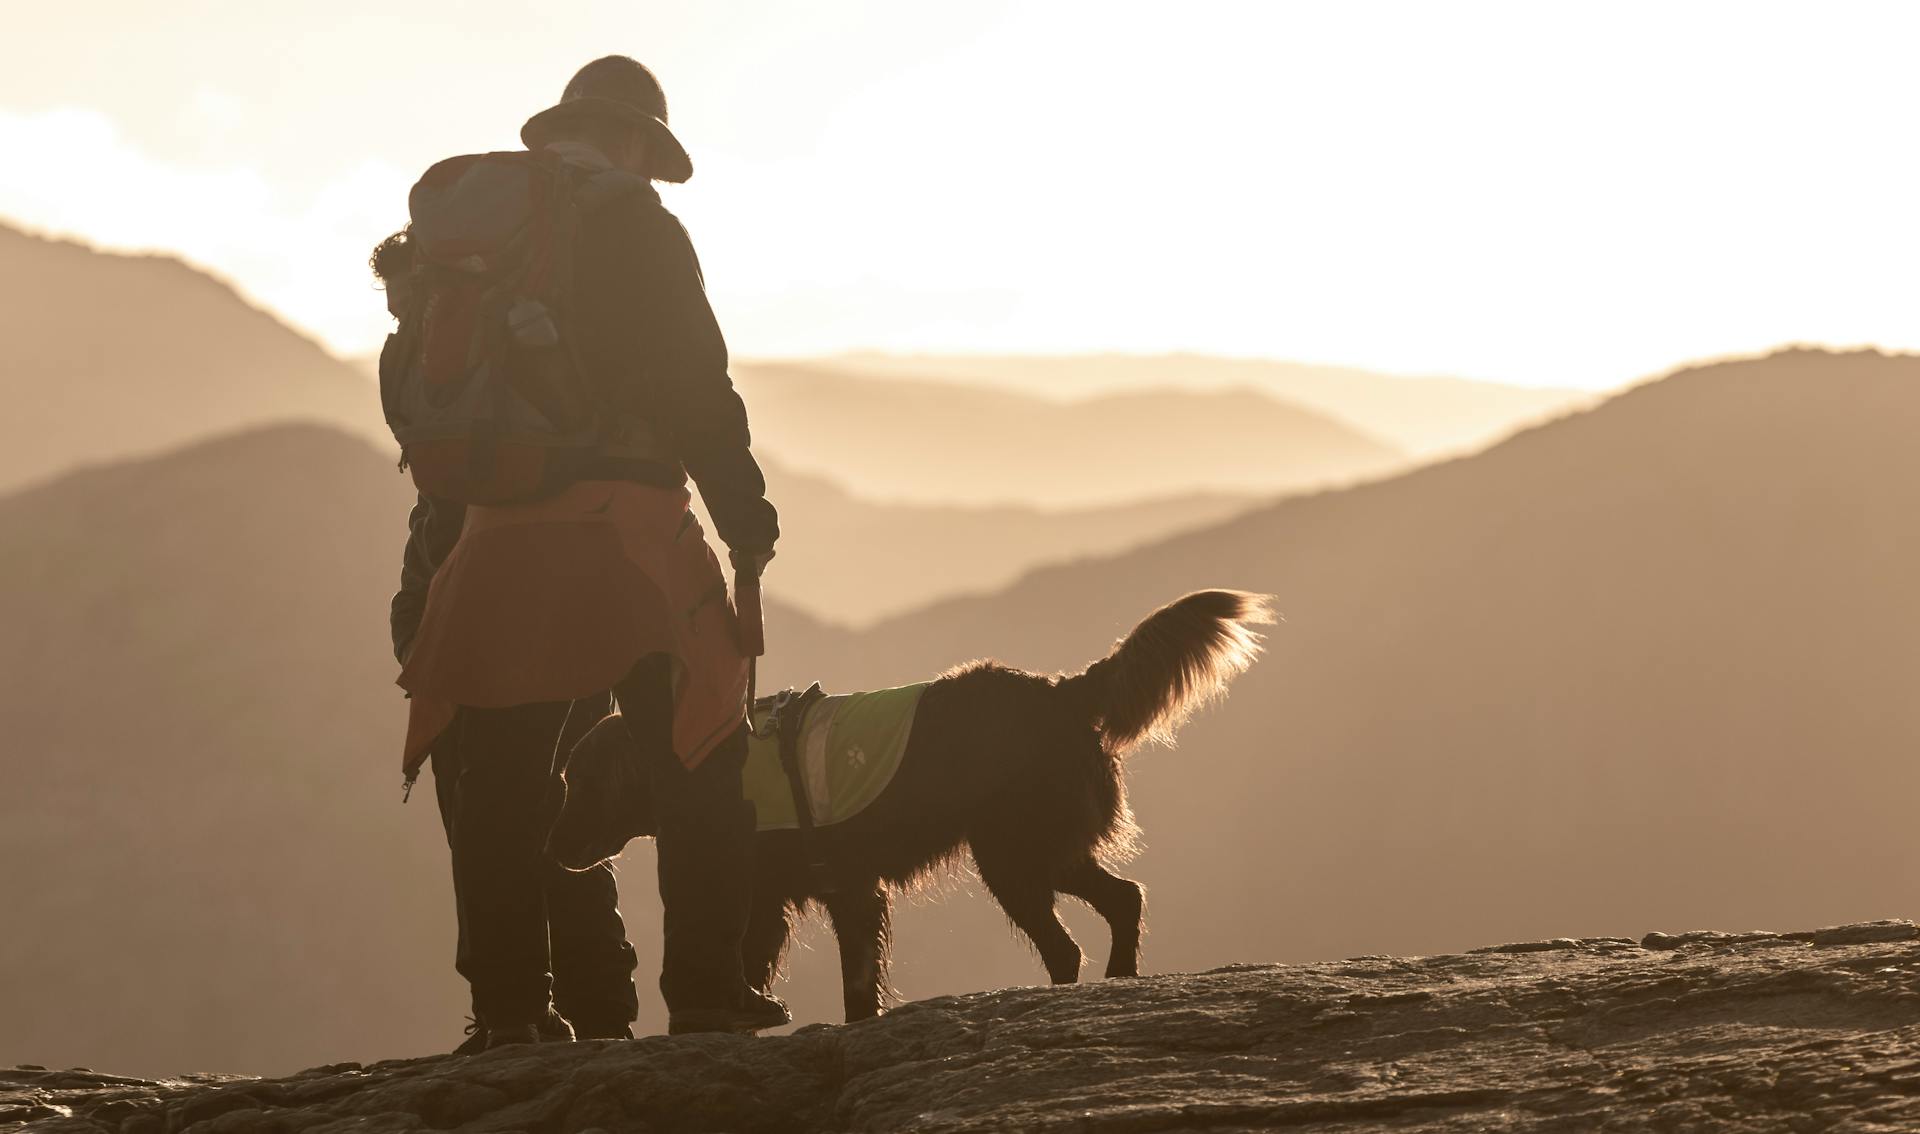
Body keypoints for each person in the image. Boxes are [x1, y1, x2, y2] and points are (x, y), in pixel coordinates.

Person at [384, 55, 786, 1049]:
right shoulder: (639, 228)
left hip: (495, 538)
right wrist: (746, 518)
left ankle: (511, 1012)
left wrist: (432, 575)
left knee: (505, 785)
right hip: (628, 533)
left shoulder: (475, 246)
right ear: (638, 143)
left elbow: (440, 403)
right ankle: (705, 994)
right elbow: (700, 386)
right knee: (699, 753)